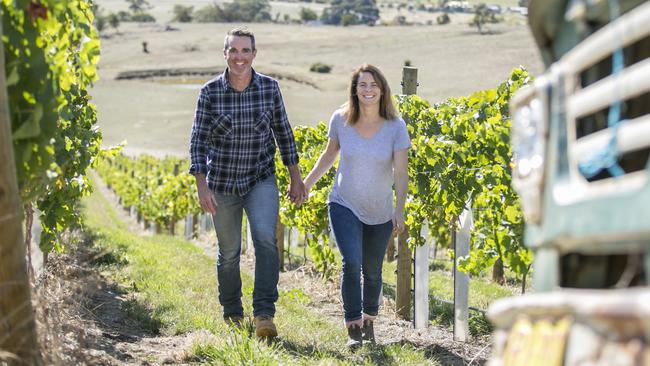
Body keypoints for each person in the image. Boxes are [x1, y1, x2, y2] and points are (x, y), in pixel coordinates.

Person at [188, 26, 306, 339]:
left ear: (254, 54)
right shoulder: (210, 92)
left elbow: (284, 133)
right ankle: (232, 312)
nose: (240, 57)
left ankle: (264, 314)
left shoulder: (269, 88)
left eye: (245, 51)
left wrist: (296, 178)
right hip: (223, 184)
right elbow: (198, 140)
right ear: (225, 54)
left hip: (260, 179)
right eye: (234, 51)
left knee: (266, 240)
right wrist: (202, 185)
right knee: (229, 253)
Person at [303, 64, 410, 349]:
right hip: (344, 203)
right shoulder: (341, 120)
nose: (368, 90)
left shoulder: (396, 127)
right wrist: (307, 184)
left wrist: (399, 209)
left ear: (383, 89)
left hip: (380, 211)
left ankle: (369, 322)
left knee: (373, 271)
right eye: (362, 85)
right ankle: (353, 328)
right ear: (355, 90)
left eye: (373, 84)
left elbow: (401, 173)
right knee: (351, 263)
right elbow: (328, 156)